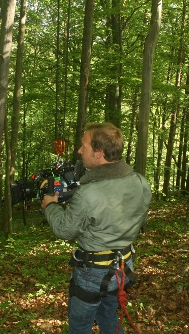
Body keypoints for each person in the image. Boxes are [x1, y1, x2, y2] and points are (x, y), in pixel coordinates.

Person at [41, 122, 152, 334]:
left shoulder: (89, 194)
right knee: (109, 316)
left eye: (84, 146)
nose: (79, 150)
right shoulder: (140, 182)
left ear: (99, 153)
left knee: (80, 327)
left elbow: (65, 230)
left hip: (93, 272)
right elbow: (139, 219)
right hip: (123, 267)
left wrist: (51, 207)